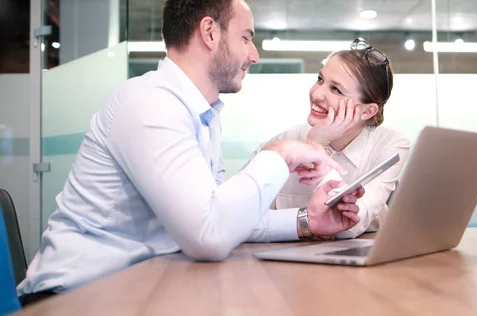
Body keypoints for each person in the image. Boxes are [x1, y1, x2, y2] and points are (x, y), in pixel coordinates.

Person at [17, 0, 365, 306]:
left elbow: (221, 216)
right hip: (72, 297)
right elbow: (208, 236)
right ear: (210, 33)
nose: (254, 55)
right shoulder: (150, 104)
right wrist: (278, 154)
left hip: (137, 285)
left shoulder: (202, 114)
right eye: (246, 37)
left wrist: (307, 222)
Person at [254, 38, 411, 239]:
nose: (317, 94)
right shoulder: (284, 143)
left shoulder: (390, 145)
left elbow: (350, 226)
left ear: (367, 110)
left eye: (336, 89)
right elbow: (231, 216)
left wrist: (317, 146)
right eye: (320, 79)